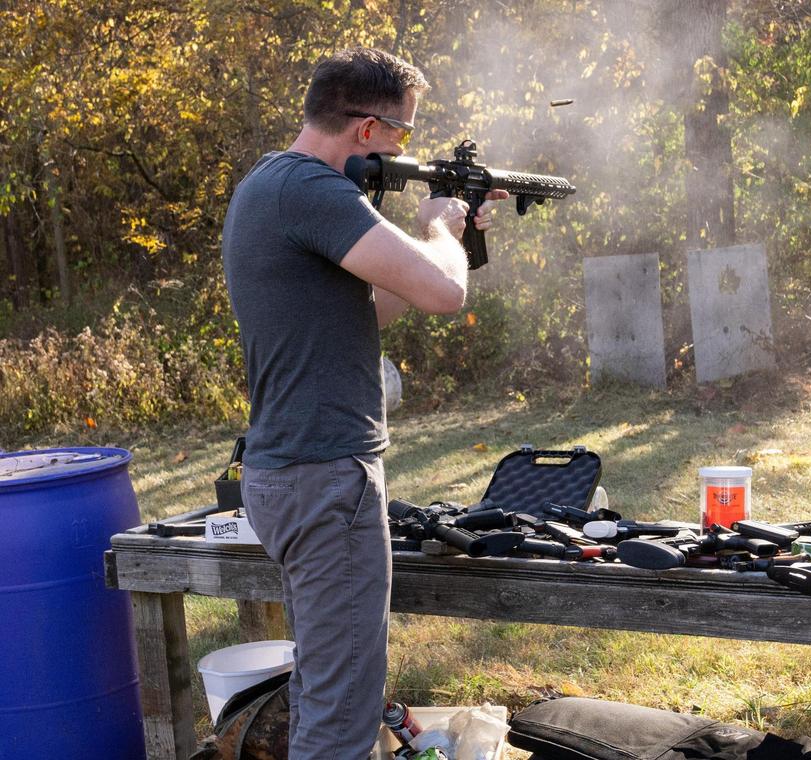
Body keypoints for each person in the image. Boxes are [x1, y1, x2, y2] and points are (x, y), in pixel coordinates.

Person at [222, 47, 507, 759]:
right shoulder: (318, 192)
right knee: (342, 714)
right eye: (402, 134)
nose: (404, 149)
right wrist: (440, 228)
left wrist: (453, 239)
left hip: (289, 474)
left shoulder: (268, 183)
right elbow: (444, 294)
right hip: (325, 479)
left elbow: (373, 308)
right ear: (366, 129)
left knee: (326, 685)